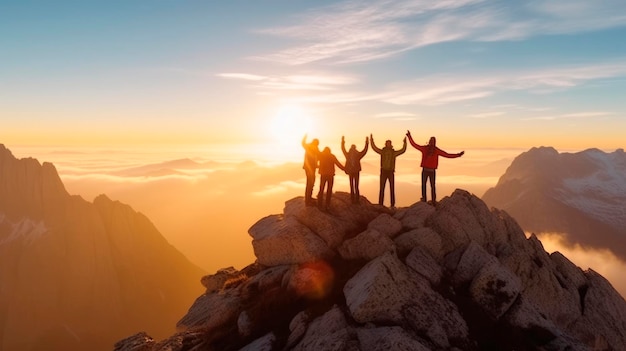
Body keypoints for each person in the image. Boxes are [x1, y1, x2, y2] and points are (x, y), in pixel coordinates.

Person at [406, 130, 464, 205]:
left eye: (433, 141)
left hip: (430, 171)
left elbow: (447, 155)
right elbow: (415, 145)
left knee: (430, 186)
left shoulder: (434, 150)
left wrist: (458, 155)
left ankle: (431, 200)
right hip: (428, 170)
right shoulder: (428, 149)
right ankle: (427, 200)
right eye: (431, 141)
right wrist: (409, 137)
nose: (432, 142)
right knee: (427, 185)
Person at [370, 134, 407, 209]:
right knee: (382, 188)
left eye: (389, 143)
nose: (388, 145)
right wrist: (371, 141)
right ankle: (381, 204)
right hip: (384, 171)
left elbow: (402, 150)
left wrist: (405, 143)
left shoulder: (393, 153)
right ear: (386, 144)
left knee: (391, 188)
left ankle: (392, 205)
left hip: (390, 171)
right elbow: (375, 148)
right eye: (387, 143)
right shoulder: (383, 152)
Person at [341, 136, 369, 204]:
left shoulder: (348, 155)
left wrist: (343, 142)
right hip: (356, 171)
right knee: (356, 186)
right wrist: (367, 143)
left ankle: (353, 200)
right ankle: (356, 200)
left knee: (352, 186)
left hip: (351, 171)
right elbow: (364, 151)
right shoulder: (358, 154)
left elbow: (343, 149)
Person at [317, 147, 346, 211]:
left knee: (321, 189)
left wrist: (315, 166)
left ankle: (319, 204)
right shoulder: (332, 156)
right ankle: (327, 205)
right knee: (329, 190)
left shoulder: (321, 155)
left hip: (323, 175)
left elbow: (315, 159)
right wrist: (345, 169)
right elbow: (338, 164)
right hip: (330, 175)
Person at [302, 134, 320, 206]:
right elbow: (319, 156)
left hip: (311, 167)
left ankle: (309, 198)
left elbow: (318, 156)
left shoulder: (312, 147)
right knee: (310, 183)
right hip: (310, 168)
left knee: (311, 182)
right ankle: (308, 200)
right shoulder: (310, 147)